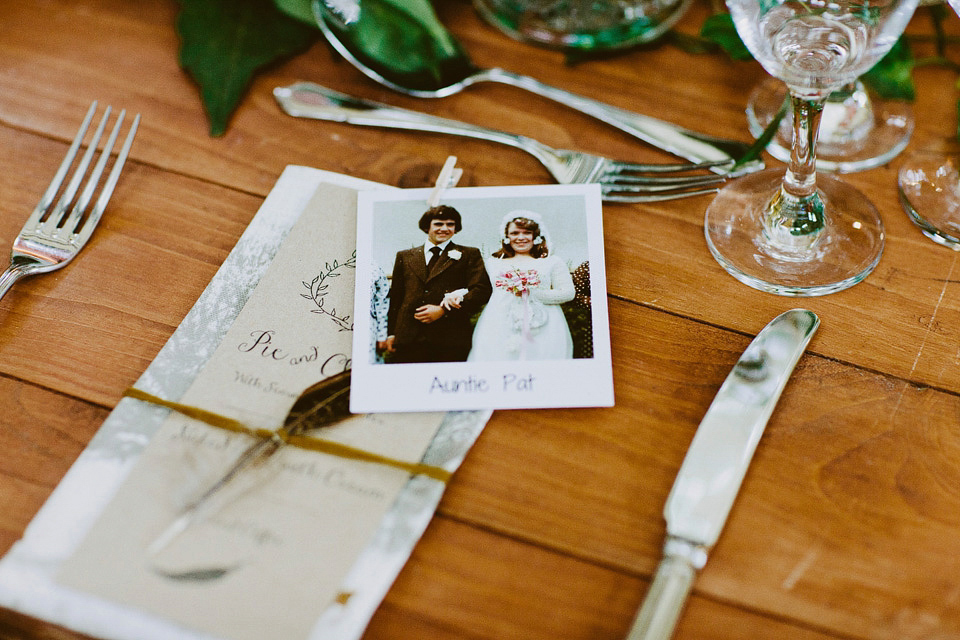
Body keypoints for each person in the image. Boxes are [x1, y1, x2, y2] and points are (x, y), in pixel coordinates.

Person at [384, 204, 492, 363]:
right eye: (438, 224)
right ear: (427, 227)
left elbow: (481, 290)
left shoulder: (469, 254)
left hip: (450, 338)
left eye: (450, 224)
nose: (444, 228)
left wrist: (443, 310)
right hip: (409, 337)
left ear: (456, 229)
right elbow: (396, 297)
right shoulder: (405, 256)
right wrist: (392, 333)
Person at [468, 210, 575, 361]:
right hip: (499, 320)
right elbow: (479, 288)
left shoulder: (552, 262)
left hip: (543, 323)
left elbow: (568, 293)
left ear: (536, 236)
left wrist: (531, 293)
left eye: (527, 233)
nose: (520, 238)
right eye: (515, 233)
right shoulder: (493, 263)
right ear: (507, 236)